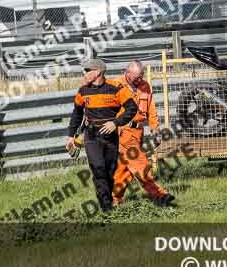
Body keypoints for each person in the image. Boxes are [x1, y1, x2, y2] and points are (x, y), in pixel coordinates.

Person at [65, 58, 138, 213]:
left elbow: (132, 108)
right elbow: (77, 113)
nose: (84, 74)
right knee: (98, 169)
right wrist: (70, 136)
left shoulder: (116, 88)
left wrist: (116, 123)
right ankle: (106, 208)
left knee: (110, 172)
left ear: (97, 72)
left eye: (87, 71)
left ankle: (107, 200)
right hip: (91, 137)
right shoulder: (83, 90)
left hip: (111, 137)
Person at [112, 60, 174, 207]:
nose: (139, 80)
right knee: (141, 164)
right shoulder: (115, 85)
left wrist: (154, 128)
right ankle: (159, 195)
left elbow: (151, 109)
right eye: (136, 77)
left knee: (124, 169)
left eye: (141, 76)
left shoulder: (145, 86)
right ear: (127, 73)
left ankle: (113, 199)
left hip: (138, 132)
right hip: (123, 132)